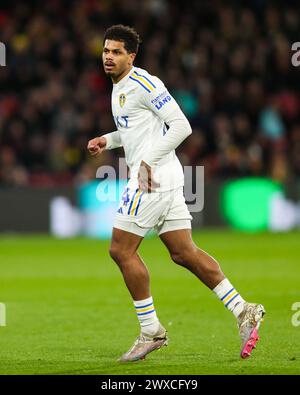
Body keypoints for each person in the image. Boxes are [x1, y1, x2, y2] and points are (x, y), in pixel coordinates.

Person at [87, 25, 265, 362]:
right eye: (106, 51)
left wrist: (146, 164)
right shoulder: (121, 87)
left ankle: (150, 329)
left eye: (116, 52)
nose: (109, 57)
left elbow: (181, 125)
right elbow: (135, 130)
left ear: (131, 57)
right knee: (183, 252)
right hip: (167, 176)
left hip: (152, 179)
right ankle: (244, 309)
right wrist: (107, 140)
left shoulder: (144, 83)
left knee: (121, 250)